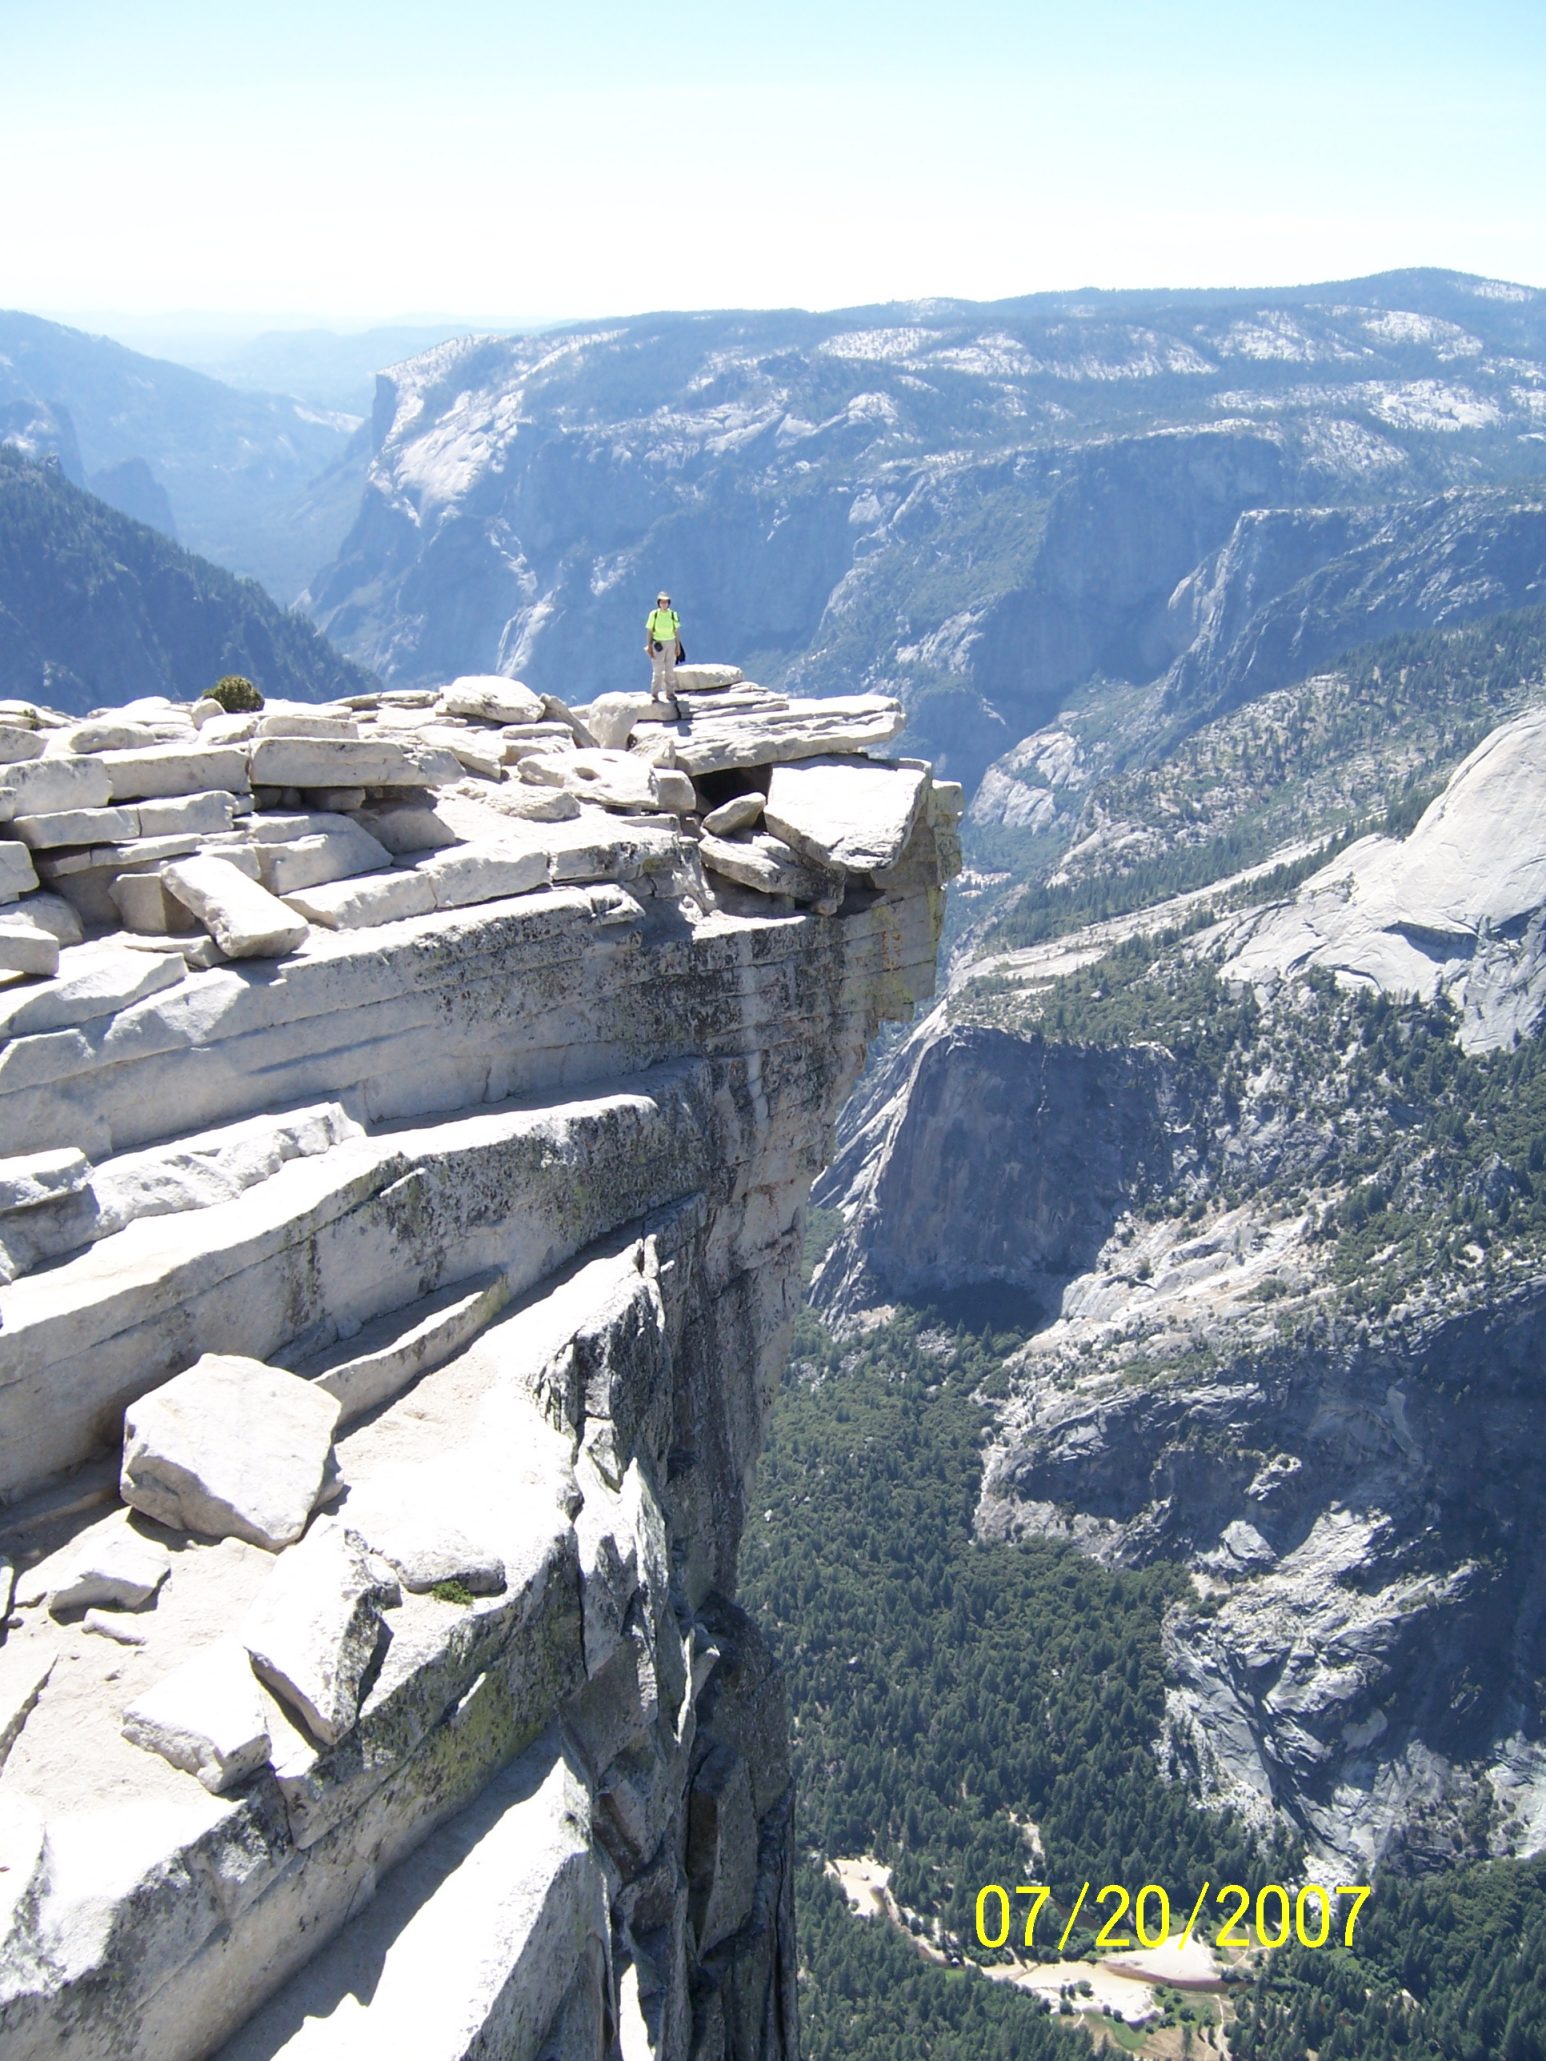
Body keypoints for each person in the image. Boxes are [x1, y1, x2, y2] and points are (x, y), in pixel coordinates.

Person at [645, 590, 682, 702]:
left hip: (671, 643)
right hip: (658, 645)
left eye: (666, 602)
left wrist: (678, 646)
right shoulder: (654, 615)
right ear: (658, 603)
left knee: (669, 670)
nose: (664, 604)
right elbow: (649, 631)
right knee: (658, 670)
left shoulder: (673, 615)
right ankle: (654, 694)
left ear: (668, 603)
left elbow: (676, 631)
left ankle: (670, 693)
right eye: (662, 602)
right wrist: (649, 646)